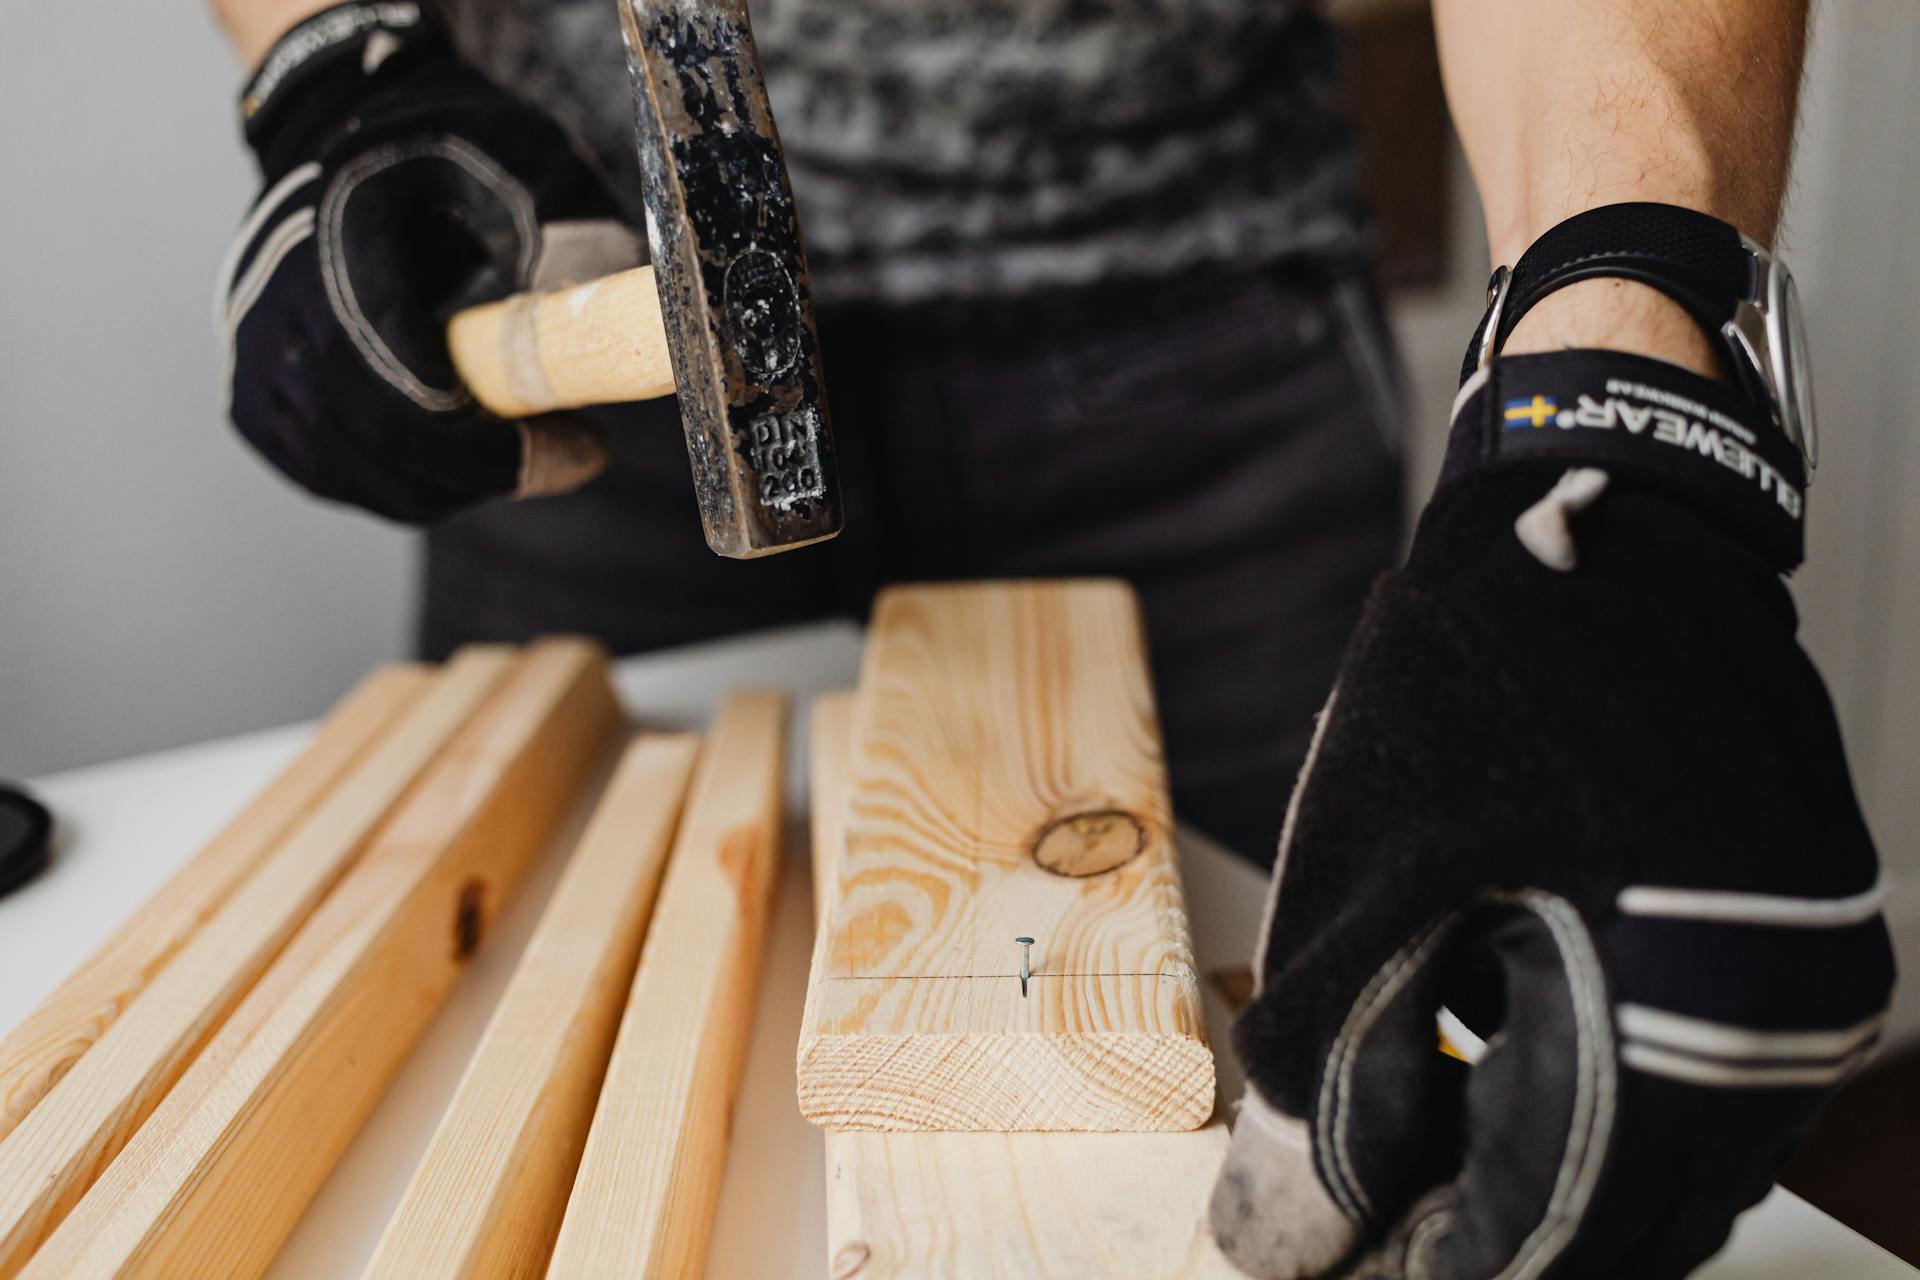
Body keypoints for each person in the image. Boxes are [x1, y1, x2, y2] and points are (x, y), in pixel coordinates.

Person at [212, 1, 1895, 1276]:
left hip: (1204, 325)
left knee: (1364, 1094)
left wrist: (1623, 384)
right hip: (585, 308)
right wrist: (328, 59)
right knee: (502, 1107)